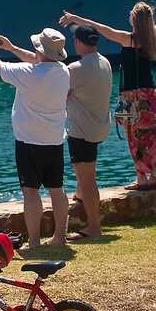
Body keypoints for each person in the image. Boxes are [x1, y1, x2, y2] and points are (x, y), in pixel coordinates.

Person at [59, 0, 156, 190]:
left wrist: (75, 18)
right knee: (153, 134)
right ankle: (154, 177)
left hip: (133, 96)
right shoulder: (152, 35)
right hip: (151, 94)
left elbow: (100, 28)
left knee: (135, 137)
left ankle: (141, 179)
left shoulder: (128, 39)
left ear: (133, 19)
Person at [0, 29, 70, 248]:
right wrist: (12, 49)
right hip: (54, 141)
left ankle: (34, 241)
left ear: (40, 49)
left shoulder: (28, 73)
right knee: (56, 189)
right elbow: (40, 59)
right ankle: (60, 236)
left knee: (30, 192)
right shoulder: (63, 71)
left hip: (28, 142)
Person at [63, 24, 112, 239]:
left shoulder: (75, 69)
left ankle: (94, 227)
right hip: (99, 126)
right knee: (86, 173)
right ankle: (80, 194)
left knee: (88, 177)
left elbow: (61, 95)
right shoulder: (105, 62)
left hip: (82, 131)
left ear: (78, 42)